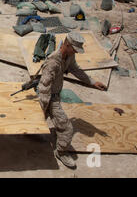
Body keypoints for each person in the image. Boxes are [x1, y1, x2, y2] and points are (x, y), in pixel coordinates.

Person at [37, 32, 106, 169]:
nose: (76, 52)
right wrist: (41, 109)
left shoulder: (69, 55)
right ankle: (61, 152)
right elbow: (44, 88)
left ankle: (35, 129)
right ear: (67, 45)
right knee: (67, 129)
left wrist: (92, 82)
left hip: (55, 94)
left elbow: (75, 69)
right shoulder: (53, 62)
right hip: (50, 97)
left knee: (41, 119)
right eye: (74, 49)